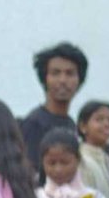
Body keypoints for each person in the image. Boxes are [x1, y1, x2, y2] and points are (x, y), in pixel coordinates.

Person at [22, 42, 87, 172]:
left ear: (79, 80)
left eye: (70, 73)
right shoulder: (34, 124)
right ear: (44, 79)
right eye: (55, 73)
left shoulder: (71, 124)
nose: (62, 80)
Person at [76, 99, 109, 198]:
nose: (107, 124)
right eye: (99, 120)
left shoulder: (105, 159)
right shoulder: (82, 160)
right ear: (83, 127)